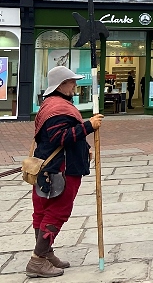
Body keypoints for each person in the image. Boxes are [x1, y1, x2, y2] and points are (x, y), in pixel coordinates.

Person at [28, 66, 104, 278]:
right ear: (61, 85)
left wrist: (85, 149)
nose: (75, 85)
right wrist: (89, 125)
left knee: (42, 212)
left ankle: (46, 254)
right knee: (56, 212)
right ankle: (37, 260)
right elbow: (59, 137)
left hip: (48, 167)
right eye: (71, 81)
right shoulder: (58, 108)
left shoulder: (51, 105)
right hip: (60, 169)